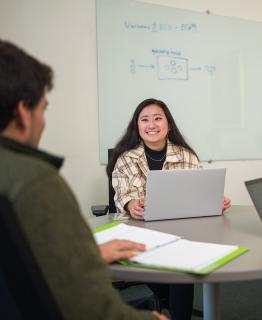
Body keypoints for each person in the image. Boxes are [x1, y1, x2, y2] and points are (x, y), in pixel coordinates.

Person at [0, 40, 166, 319]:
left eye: (158, 119)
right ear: (22, 114)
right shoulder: (35, 181)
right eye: (42, 110)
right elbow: (89, 308)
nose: (43, 121)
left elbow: (22, 258)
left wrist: (88, 254)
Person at [105, 98, 231, 319]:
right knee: (178, 274)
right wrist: (132, 205)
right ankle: (171, 307)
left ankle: (172, 309)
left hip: (182, 233)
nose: (151, 124)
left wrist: (214, 201)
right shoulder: (126, 159)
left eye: (157, 118)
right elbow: (123, 195)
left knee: (180, 269)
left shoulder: (186, 155)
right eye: (144, 119)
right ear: (137, 126)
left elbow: (199, 191)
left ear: (168, 125)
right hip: (143, 234)